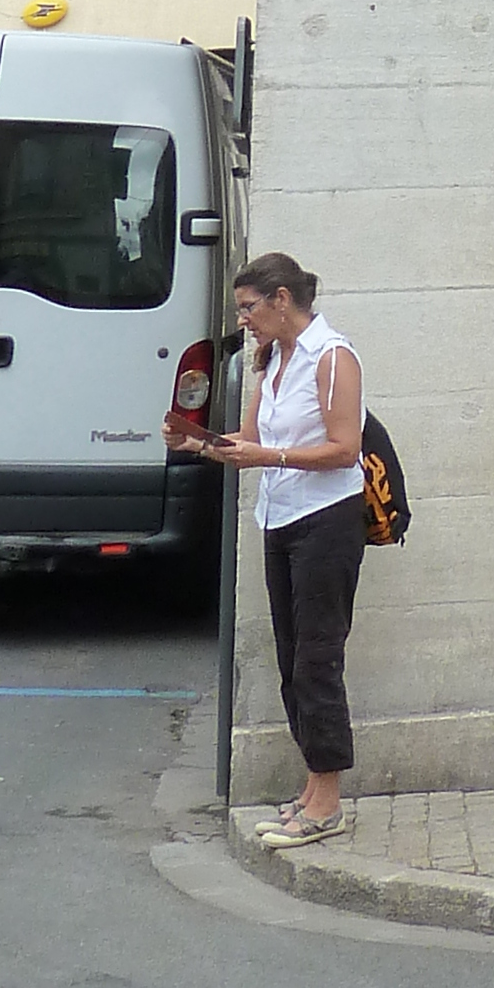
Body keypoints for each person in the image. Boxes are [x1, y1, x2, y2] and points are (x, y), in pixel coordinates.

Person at [168, 250, 368, 844]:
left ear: (283, 300)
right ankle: (313, 785)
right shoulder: (274, 360)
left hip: (327, 519)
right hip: (281, 517)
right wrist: (198, 443)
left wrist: (268, 457)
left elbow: (344, 449)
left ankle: (327, 801)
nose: (244, 321)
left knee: (317, 658)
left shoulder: (333, 357)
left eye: (250, 308)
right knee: (291, 658)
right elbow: (248, 441)